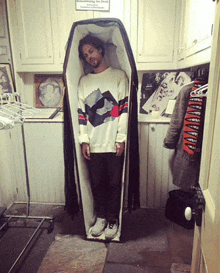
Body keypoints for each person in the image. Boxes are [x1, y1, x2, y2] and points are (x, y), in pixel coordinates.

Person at [77, 34, 129, 240]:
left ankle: (113, 220)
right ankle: (101, 218)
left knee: (115, 184)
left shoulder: (118, 76)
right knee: (97, 184)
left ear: (100, 49)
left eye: (91, 51)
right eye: (85, 54)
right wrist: (84, 140)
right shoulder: (84, 81)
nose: (89, 56)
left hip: (113, 141)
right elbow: (81, 114)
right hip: (94, 142)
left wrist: (121, 138)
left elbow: (124, 110)